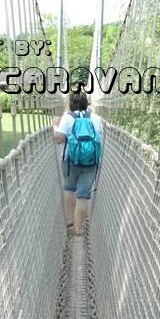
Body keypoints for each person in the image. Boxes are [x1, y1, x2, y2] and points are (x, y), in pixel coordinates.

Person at [52, 92, 104, 236]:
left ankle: (70, 220)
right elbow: (99, 139)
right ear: (87, 103)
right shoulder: (96, 118)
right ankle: (79, 229)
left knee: (69, 188)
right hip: (91, 163)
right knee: (83, 195)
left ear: (70, 104)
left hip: (70, 161)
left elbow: (58, 139)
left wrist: (55, 125)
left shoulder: (67, 118)